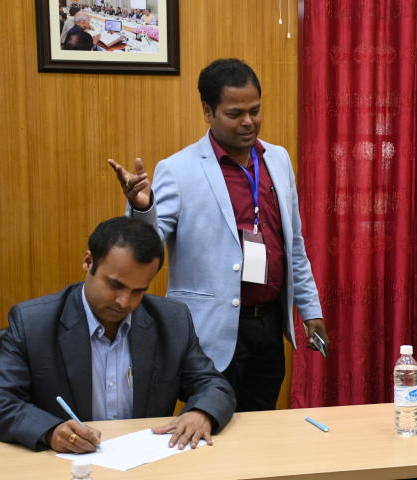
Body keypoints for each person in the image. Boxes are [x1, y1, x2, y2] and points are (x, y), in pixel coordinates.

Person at [107, 59, 327, 412]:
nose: (248, 122)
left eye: (255, 111)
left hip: (268, 325)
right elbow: (145, 248)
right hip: (210, 330)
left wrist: (310, 308)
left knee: (261, 426)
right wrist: (141, 207)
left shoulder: (278, 159)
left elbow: (294, 247)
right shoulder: (178, 170)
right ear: (208, 111)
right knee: (210, 424)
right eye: (235, 113)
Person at [0, 217, 236, 453]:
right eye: (115, 285)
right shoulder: (33, 323)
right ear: (88, 262)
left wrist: (202, 411)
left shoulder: (172, 320)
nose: (123, 302)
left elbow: (214, 385)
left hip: (146, 465)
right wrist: (50, 430)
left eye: (138, 291)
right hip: (68, 467)